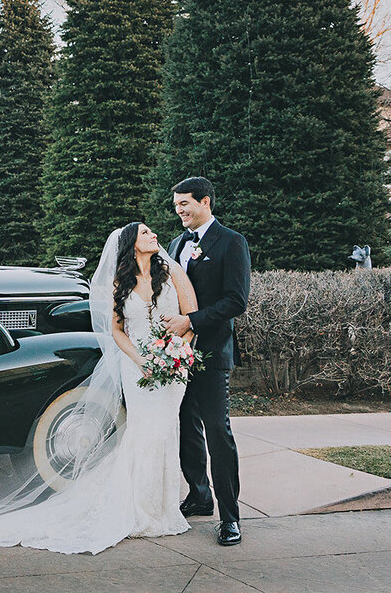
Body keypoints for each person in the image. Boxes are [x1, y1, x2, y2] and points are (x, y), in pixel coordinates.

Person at [0, 222, 198, 554]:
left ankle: (163, 510)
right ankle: (142, 509)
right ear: (132, 245)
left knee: (166, 430)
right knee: (144, 432)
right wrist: (140, 360)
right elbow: (117, 331)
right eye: (145, 233)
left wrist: (178, 352)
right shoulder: (120, 283)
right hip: (137, 367)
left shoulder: (173, 272)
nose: (153, 236)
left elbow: (191, 316)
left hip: (172, 366)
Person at [161, 177, 250, 547]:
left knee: (218, 432)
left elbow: (236, 301)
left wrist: (192, 322)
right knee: (184, 427)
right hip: (176, 354)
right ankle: (199, 495)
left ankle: (231, 518)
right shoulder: (175, 244)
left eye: (185, 204)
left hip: (212, 354)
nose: (179, 210)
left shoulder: (232, 242)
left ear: (205, 202)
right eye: (177, 205)